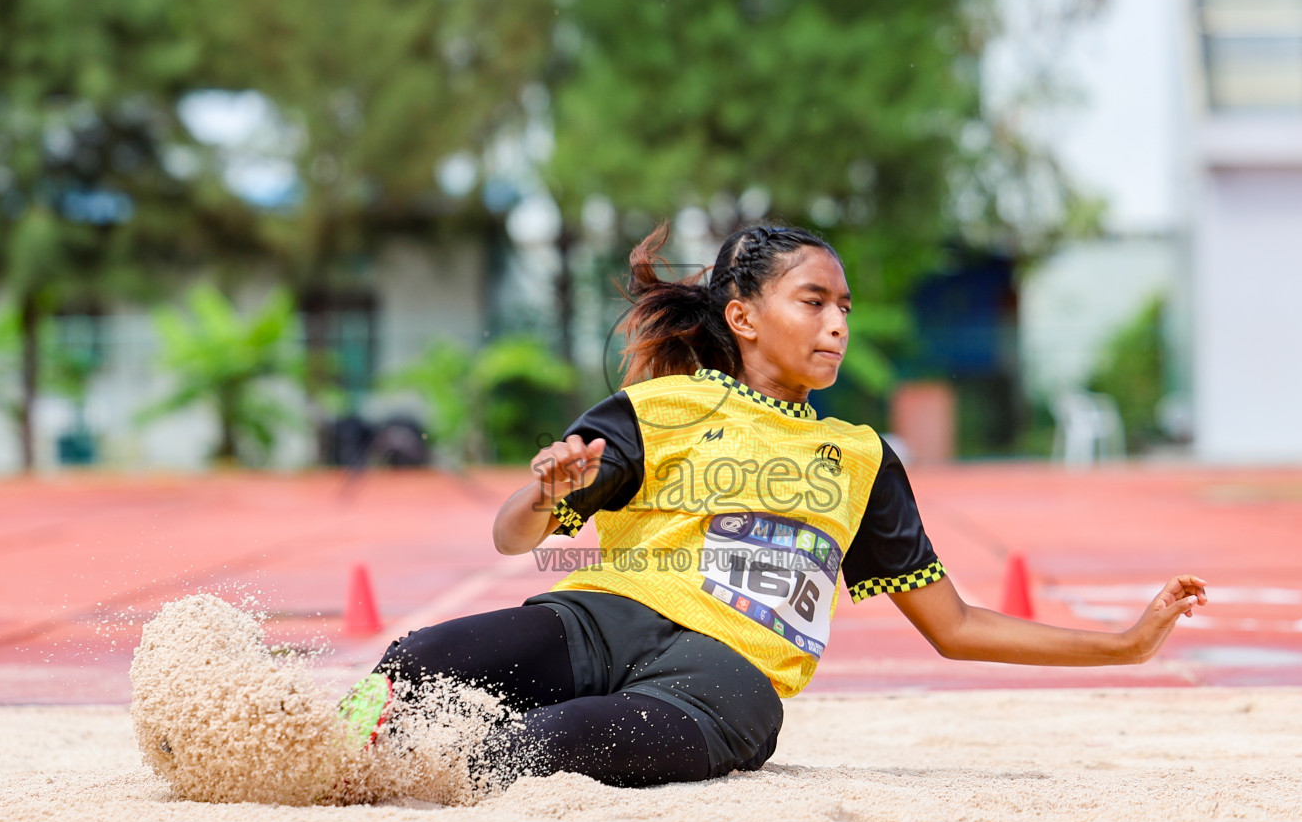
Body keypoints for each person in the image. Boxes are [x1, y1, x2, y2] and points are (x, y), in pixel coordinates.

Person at [336, 223, 1207, 788]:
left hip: (724, 682)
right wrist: (541, 492)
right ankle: (310, 750)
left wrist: (1124, 645)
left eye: (845, 308)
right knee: (416, 657)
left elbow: (956, 625)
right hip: (603, 621)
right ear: (745, 317)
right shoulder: (660, 408)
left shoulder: (861, 458)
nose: (838, 325)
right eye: (815, 301)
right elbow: (510, 537)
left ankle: (401, 776)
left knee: (544, 746)